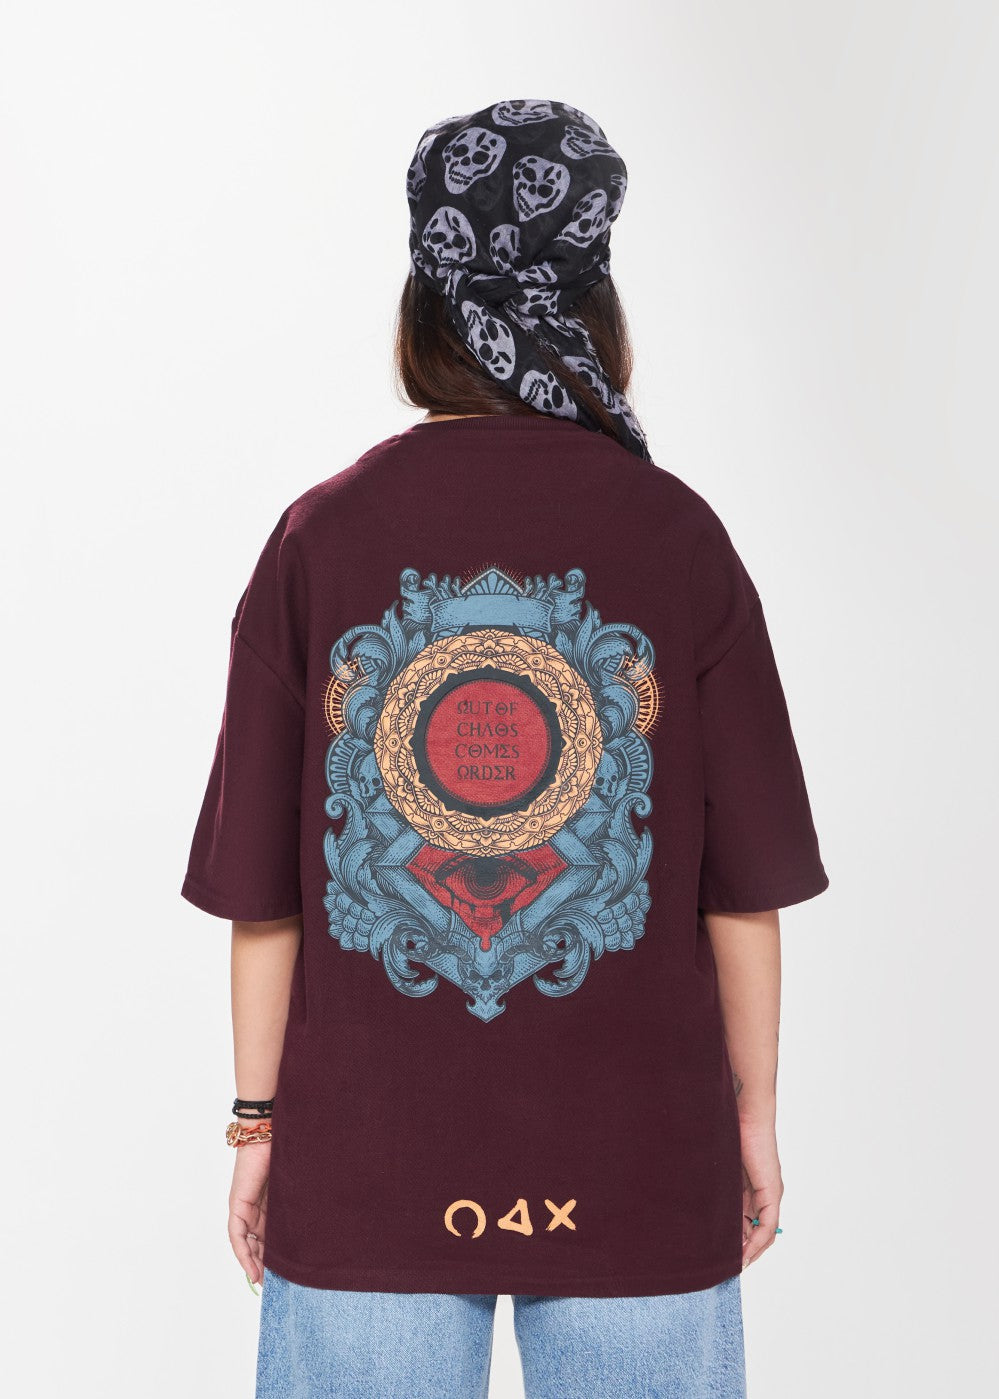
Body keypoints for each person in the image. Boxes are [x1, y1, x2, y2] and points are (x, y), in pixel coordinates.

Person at [181, 97, 829, 1399]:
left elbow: (265, 896)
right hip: (641, 1168)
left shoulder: (320, 539)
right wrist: (751, 1120)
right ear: (596, 311)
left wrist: (257, 1127)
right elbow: (741, 892)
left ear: (425, 311)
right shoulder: (677, 536)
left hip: (367, 1175)